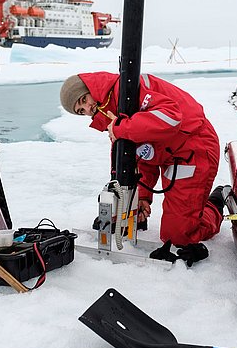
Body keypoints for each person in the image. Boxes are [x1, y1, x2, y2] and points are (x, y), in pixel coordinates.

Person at [59, 71, 224, 265]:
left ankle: (216, 204)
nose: (88, 108)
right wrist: (143, 196)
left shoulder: (128, 89)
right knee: (169, 227)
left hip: (193, 147)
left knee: (179, 236)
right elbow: (141, 153)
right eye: (81, 110)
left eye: (84, 99)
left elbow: (171, 117)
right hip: (165, 153)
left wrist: (121, 128)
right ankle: (191, 208)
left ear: (91, 89)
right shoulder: (110, 111)